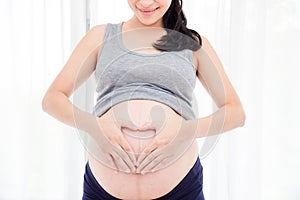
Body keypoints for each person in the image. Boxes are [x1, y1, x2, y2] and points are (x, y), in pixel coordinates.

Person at [42, 0, 245, 199]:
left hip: (180, 189)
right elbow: (52, 99)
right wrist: (96, 126)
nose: (146, 2)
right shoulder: (101, 36)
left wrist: (186, 131)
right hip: (103, 191)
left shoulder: (192, 44)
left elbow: (235, 112)